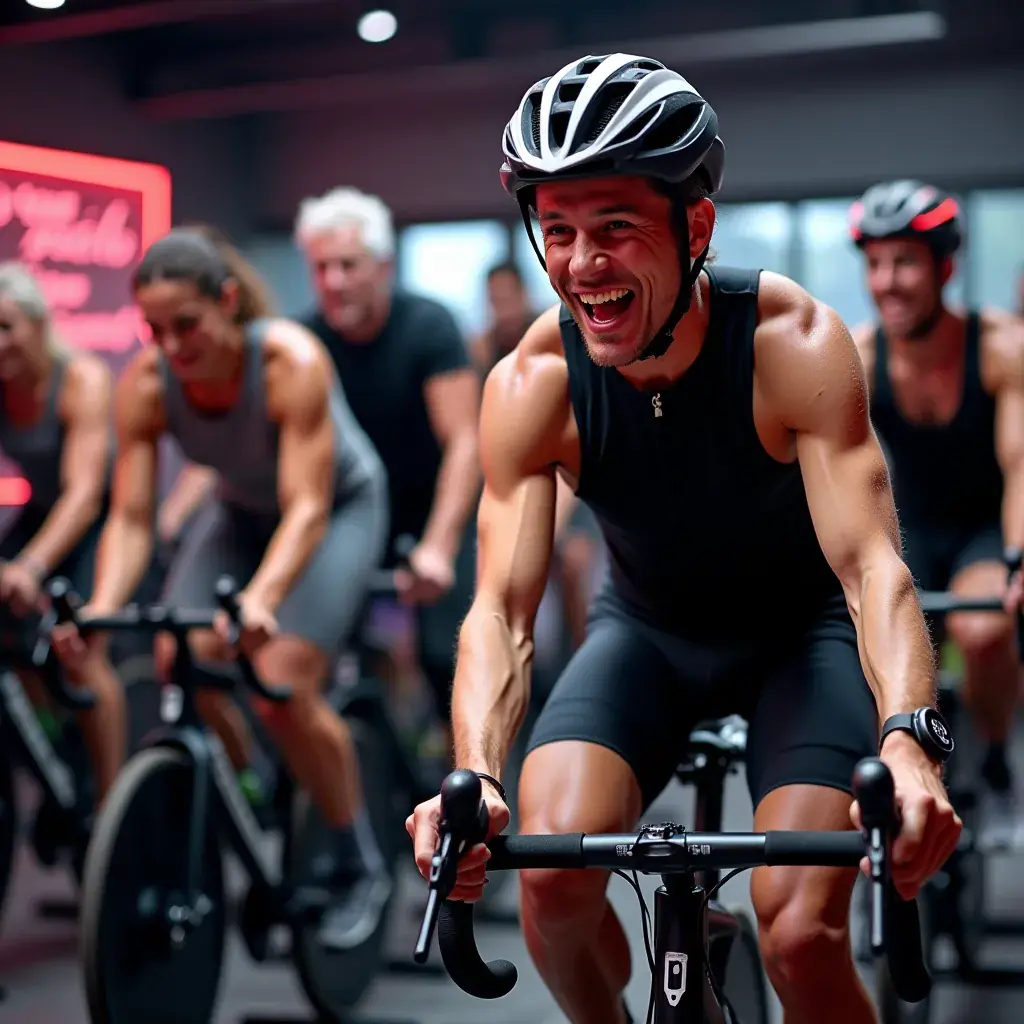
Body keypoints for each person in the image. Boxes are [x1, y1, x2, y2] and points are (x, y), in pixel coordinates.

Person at [408, 53, 962, 1024]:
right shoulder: (533, 382)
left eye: (615, 227)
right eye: (558, 230)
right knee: (551, 884)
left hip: (802, 641)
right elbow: (500, 609)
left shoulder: (792, 344)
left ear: (694, 226)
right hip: (645, 636)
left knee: (799, 933)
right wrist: (477, 772)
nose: (582, 262)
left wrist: (910, 743)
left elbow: (873, 568)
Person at [52, 227, 392, 950]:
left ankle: (357, 859)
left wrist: (263, 596)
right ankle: (254, 784)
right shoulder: (146, 384)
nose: (172, 347)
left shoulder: (291, 361)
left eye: (187, 325)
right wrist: (103, 609)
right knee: (181, 660)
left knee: (282, 684)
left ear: (228, 302)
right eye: (155, 331)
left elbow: (307, 507)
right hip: (239, 510)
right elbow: (132, 518)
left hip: (337, 508)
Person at [849, 181, 1024, 822]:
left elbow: (1020, 464)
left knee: (983, 630)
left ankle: (997, 756)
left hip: (985, 530)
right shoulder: (861, 355)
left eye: (905, 263)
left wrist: (1018, 559)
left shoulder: (1001, 347)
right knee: (872, 633)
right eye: (875, 264)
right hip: (911, 530)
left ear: (945, 268)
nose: (887, 282)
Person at [294, 187, 481, 726]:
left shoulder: (428, 326)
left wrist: (438, 546)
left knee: (445, 659)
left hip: (433, 509)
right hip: (353, 514)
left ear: (384, 266)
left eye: (348, 265)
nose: (334, 281)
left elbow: (464, 442)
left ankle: (465, 769)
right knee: (315, 658)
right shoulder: (304, 341)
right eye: (321, 267)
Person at [0, 261, 123, 805]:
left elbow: (83, 495)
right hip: (42, 510)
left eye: (7, 327)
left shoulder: (81, 379)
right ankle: (49, 745)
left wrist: (30, 567)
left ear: (39, 325)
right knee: (14, 641)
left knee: (80, 652)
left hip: (98, 517)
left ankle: (111, 805)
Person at [473, 261, 601, 656]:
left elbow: (574, 434)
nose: (502, 308)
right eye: (494, 300)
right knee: (499, 566)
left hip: (571, 469)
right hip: (519, 470)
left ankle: (583, 655)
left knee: (572, 561)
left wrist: (552, 526)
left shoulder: (555, 338)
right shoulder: (483, 350)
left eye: (507, 297)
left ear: (523, 294)